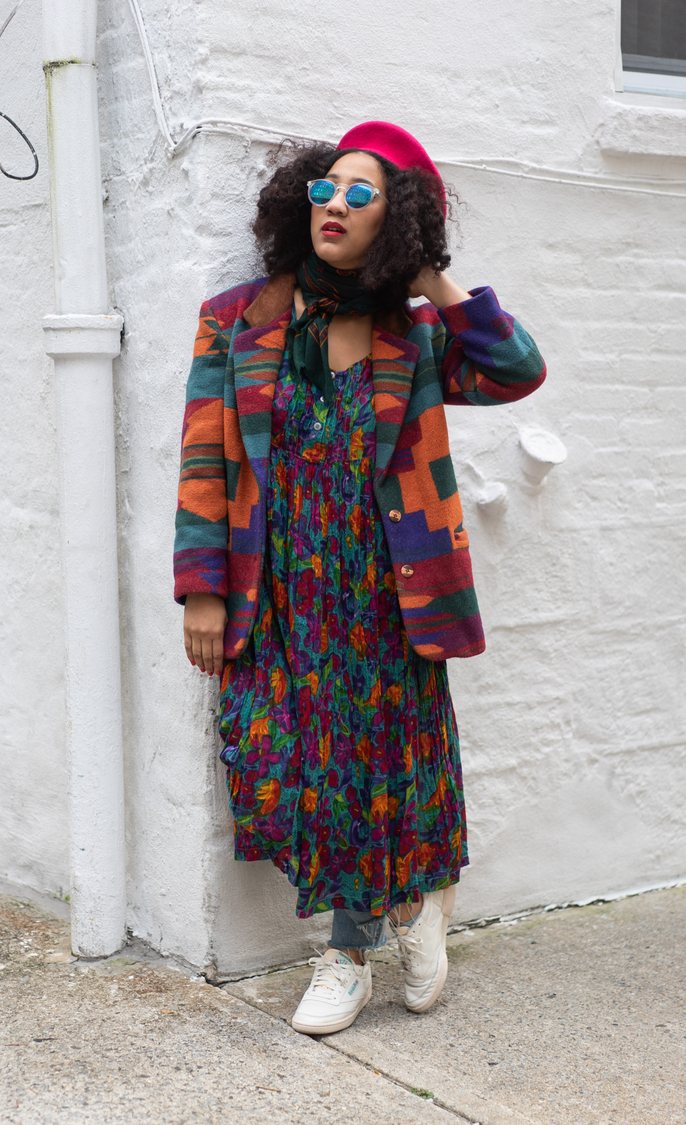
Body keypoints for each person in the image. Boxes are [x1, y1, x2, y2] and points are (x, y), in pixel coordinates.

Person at [174, 121, 546, 1036]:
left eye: (361, 195)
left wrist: (431, 279)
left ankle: (346, 951)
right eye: (324, 187)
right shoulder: (237, 319)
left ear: (399, 221)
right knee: (277, 761)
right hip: (280, 589)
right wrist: (204, 588)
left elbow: (517, 371)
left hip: (391, 588)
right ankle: (419, 903)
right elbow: (204, 464)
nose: (333, 205)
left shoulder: (414, 334)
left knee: (384, 765)